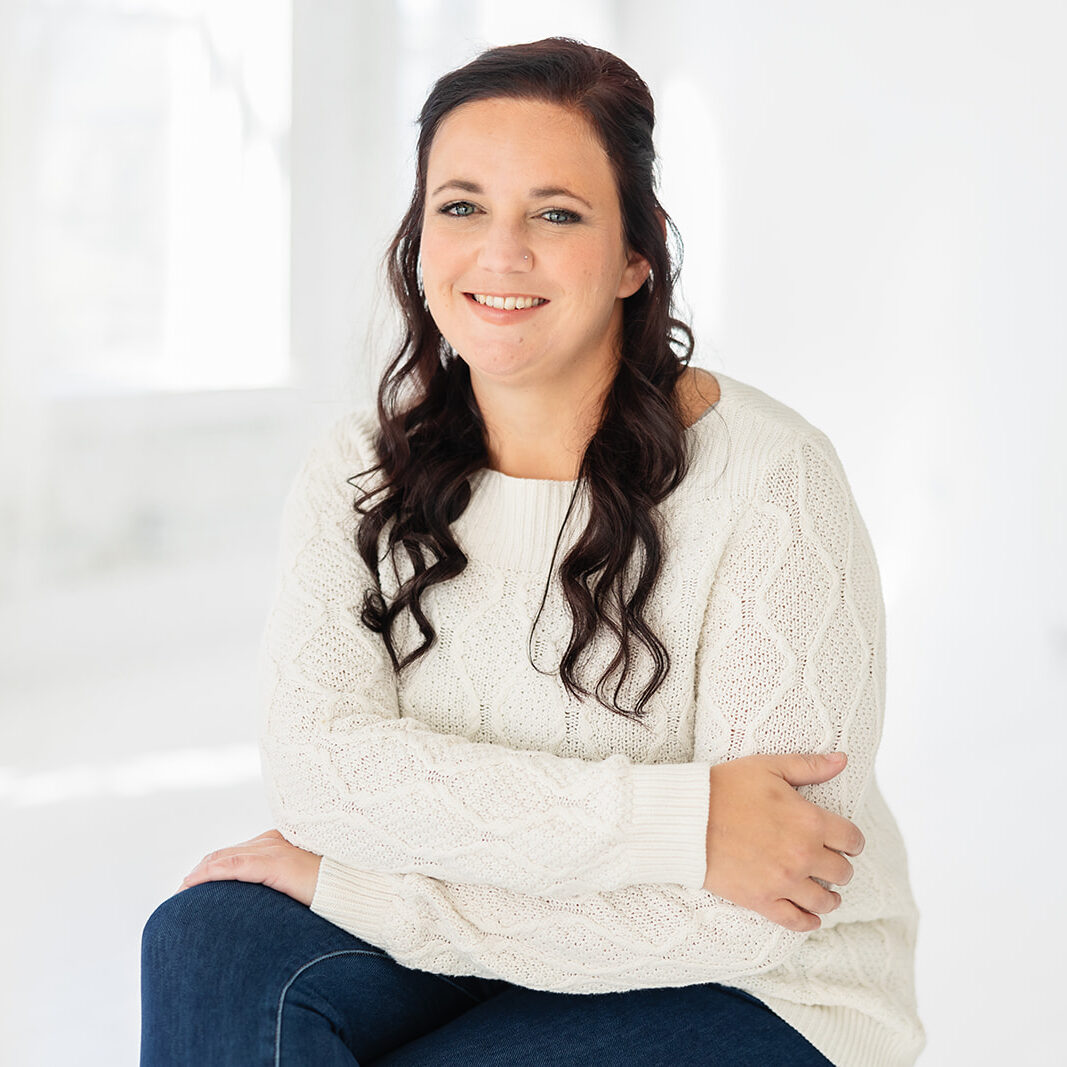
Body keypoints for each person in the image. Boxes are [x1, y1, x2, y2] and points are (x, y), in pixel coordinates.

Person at [141, 37, 923, 1066]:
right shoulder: (356, 469)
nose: (498, 254)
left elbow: (757, 903)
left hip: (757, 986)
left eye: (555, 213)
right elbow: (322, 772)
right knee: (209, 939)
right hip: (482, 939)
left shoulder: (772, 480)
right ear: (419, 238)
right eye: (460, 207)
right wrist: (680, 822)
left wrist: (368, 884)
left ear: (635, 255)